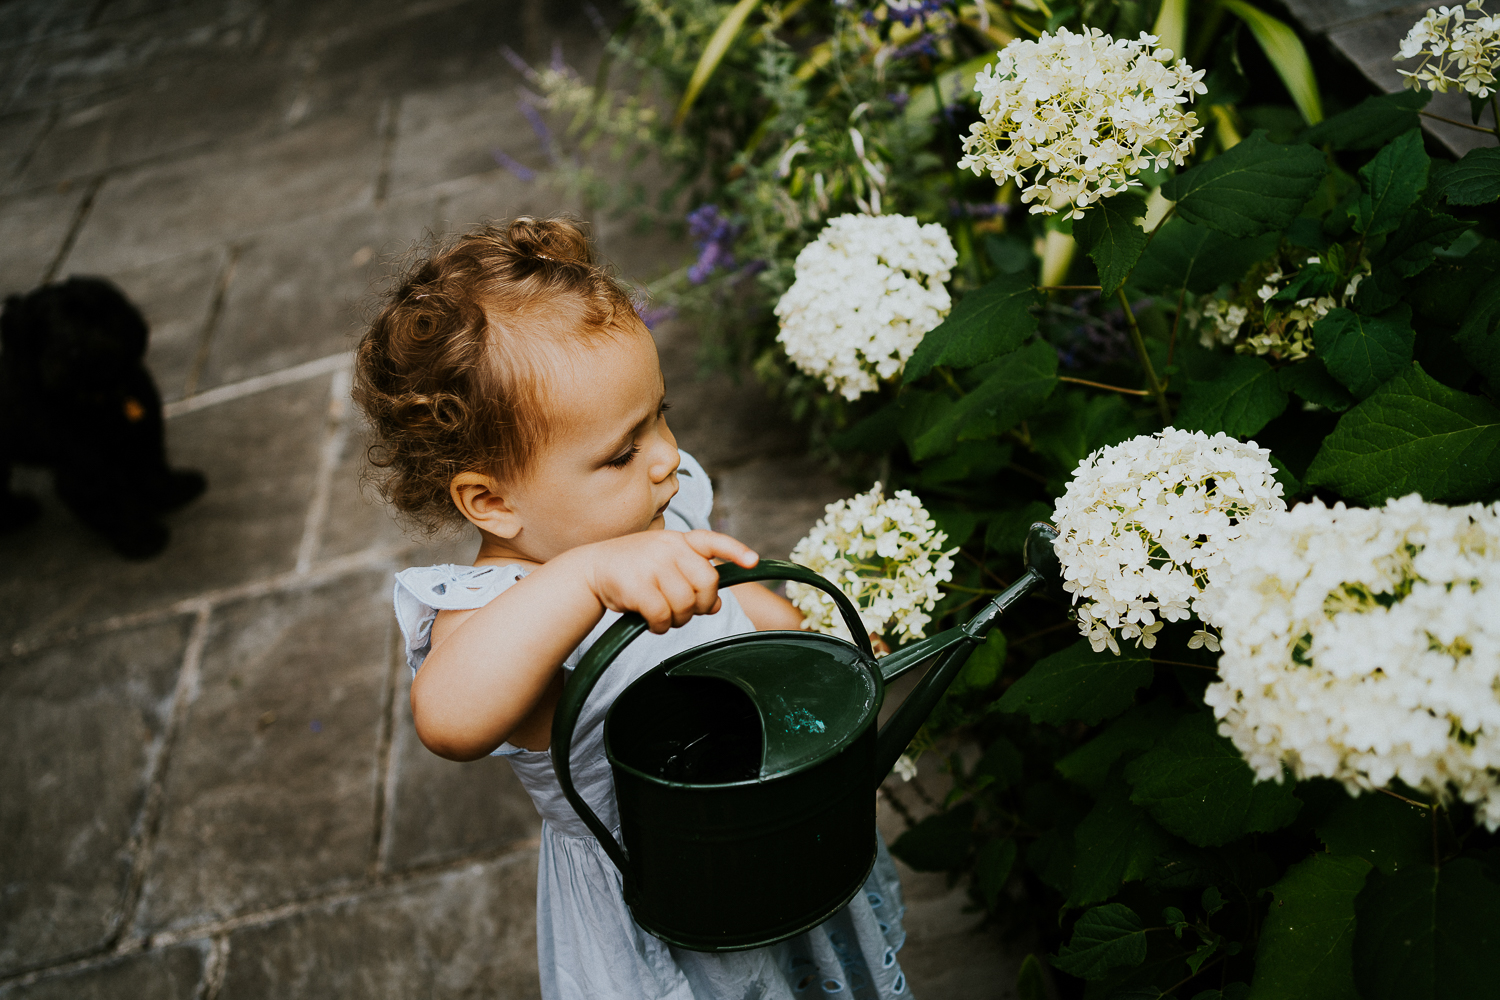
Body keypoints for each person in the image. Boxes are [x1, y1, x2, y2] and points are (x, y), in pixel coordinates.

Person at [353, 217, 912, 1000]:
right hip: (654, 907)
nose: (664, 458)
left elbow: (748, 609)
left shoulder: (660, 515)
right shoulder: (494, 608)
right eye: (621, 452)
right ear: (491, 500)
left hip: (770, 843)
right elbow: (450, 718)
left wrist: (823, 650)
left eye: (660, 413)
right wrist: (585, 578)